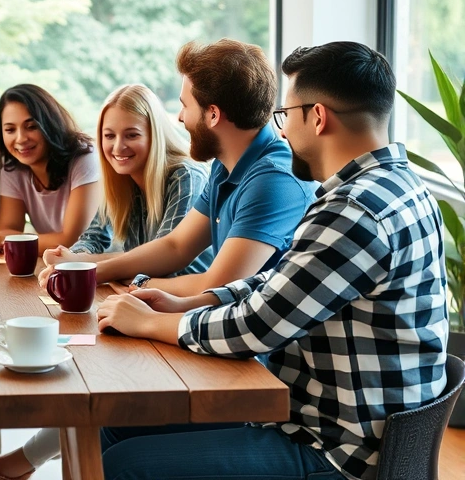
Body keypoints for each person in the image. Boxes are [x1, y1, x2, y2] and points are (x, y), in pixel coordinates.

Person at [96, 41, 447, 480]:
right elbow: (282, 283)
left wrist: (150, 323)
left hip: (335, 448)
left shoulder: (354, 211)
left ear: (317, 117)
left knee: (125, 465)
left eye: (286, 115)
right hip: (338, 421)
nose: (281, 131)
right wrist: (189, 303)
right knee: (120, 425)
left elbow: (257, 327)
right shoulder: (397, 187)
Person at [0, 83, 212, 480]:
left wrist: (87, 265)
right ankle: (28, 460)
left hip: (183, 317)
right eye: (109, 136)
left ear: (156, 134)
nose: (117, 147)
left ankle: (25, 461)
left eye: (131, 134)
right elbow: (93, 238)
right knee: (76, 362)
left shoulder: (184, 177)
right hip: (140, 308)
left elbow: (168, 268)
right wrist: (69, 258)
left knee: (86, 373)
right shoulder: (122, 180)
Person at [42, 39, 315, 297]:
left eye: (185, 106)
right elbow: (176, 246)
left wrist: (139, 282)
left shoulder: (273, 179)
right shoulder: (226, 165)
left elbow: (218, 284)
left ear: (213, 114)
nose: (181, 117)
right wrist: (85, 270)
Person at [0, 84, 102, 253]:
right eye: (10, 130)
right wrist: (5, 238)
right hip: (55, 264)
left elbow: (72, 240)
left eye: (31, 127)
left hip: (106, 266)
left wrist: (6, 240)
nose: (20, 139)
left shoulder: (84, 157)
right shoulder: (13, 166)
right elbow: (6, 230)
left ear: (50, 125)